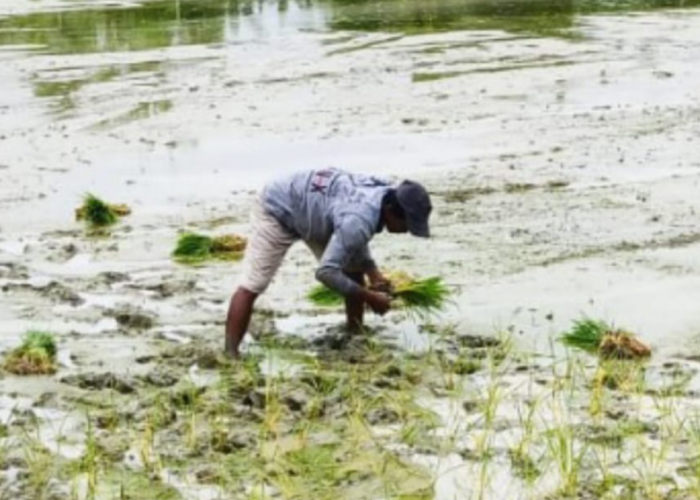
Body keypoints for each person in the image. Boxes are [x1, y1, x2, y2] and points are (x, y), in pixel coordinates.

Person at [225, 167, 432, 358]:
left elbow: (353, 236)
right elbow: (326, 272)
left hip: (317, 211)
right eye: (407, 223)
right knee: (253, 284)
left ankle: (354, 333)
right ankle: (230, 355)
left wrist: (372, 272)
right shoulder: (358, 219)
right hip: (277, 209)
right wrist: (369, 296)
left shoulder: (385, 191)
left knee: (353, 269)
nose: (407, 230)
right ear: (391, 210)